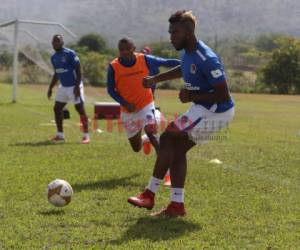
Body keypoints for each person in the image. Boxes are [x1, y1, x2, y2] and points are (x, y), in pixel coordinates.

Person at [128, 10, 235, 217]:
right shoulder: (186, 52)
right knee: (175, 149)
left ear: (188, 32)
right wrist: (155, 79)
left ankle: (149, 194)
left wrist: (192, 96)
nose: (171, 37)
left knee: (169, 136)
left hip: (217, 111)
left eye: (175, 33)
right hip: (203, 108)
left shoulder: (207, 58)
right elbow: (183, 69)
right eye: (170, 33)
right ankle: (176, 205)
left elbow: (223, 95)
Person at [107, 37, 180, 156]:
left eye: (127, 48)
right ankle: (146, 139)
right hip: (128, 110)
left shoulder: (145, 59)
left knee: (152, 133)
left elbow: (166, 63)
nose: (124, 51)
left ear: (134, 49)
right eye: (121, 49)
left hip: (146, 104)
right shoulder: (113, 66)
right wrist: (125, 104)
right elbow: (111, 90)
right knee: (136, 147)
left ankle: (165, 169)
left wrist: (189, 63)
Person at [47, 34, 90, 144]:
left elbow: (79, 70)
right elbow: (57, 73)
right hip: (63, 87)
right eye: (54, 42)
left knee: (80, 109)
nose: (55, 43)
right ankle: (60, 135)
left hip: (74, 85)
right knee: (57, 108)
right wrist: (50, 88)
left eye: (57, 41)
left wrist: (76, 87)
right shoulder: (54, 57)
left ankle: (86, 135)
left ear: (62, 42)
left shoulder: (70, 53)